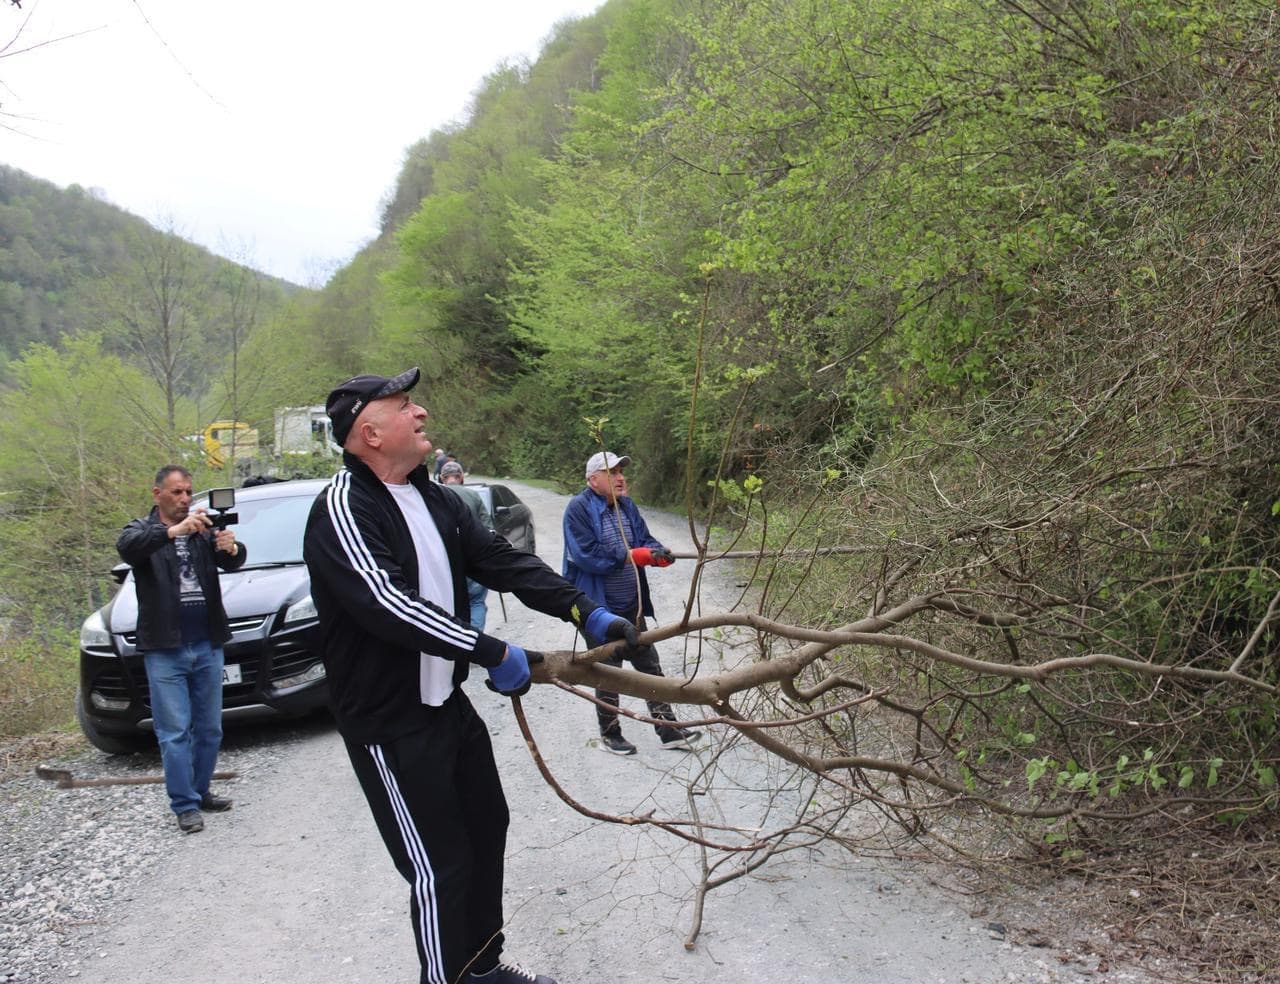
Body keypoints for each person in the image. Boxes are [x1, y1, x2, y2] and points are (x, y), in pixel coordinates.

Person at [302, 367, 635, 984]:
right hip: (388, 721)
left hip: (446, 708)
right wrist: (491, 651)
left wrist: (584, 610)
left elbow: (500, 560)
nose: (420, 412)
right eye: (404, 405)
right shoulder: (344, 508)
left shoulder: (435, 499)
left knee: (486, 829)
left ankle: (481, 968)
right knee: (438, 865)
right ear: (369, 433)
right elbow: (389, 605)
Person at [116, 465, 246, 834]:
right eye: (176, 492)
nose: (185, 499)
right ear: (157, 493)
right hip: (165, 649)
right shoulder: (141, 531)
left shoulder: (202, 529)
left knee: (209, 729)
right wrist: (174, 532)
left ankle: (200, 791)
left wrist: (231, 546)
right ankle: (184, 805)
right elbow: (129, 549)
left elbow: (233, 561)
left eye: (188, 491)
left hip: (207, 642)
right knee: (174, 732)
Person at [562, 451, 702, 756]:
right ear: (593, 480)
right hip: (596, 609)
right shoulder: (578, 509)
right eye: (612, 472)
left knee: (649, 665)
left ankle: (668, 730)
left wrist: (657, 553)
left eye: (621, 471)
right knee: (609, 672)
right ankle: (611, 735)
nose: (620, 478)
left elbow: (644, 540)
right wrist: (630, 556)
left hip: (631, 604)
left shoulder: (626, 506)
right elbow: (586, 555)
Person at [440, 459, 491, 630]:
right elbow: (488, 529)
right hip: (473, 559)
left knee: (451, 603)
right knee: (476, 601)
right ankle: (475, 639)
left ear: (442, 478)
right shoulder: (474, 496)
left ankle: (457, 638)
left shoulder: (434, 497)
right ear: (461, 477)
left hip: (446, 563)